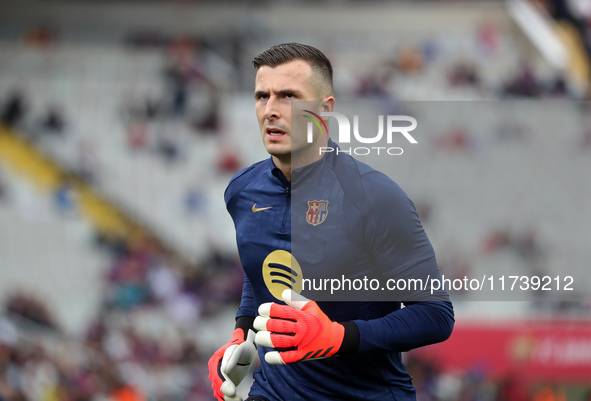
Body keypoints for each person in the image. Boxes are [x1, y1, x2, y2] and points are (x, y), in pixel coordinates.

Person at [208, 42, 454, 401]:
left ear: (325, 109)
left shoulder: (375, 197)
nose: (271, 110)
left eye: (289, 96)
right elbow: (260, 265)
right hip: (274, 393)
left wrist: (338, 337)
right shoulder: (242, 191)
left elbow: (435, 315)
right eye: (263, 96)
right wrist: (241, 334)